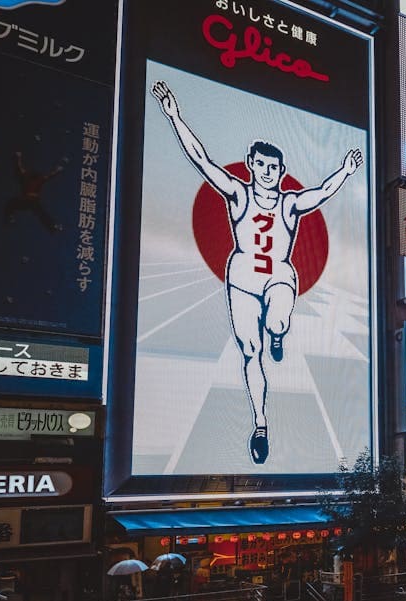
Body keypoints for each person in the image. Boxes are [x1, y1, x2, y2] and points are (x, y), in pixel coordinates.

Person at [151, 80, 363, 464]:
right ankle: (260, 423)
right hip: (243, 278)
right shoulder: (238, 193)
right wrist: (175, 116)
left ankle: (278, 331)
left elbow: (322, 192)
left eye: (274, 167)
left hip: (279, 274)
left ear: (282, 170)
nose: (268, 171)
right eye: (261, 165)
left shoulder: (290, 202)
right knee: (250, 351)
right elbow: (202, 161)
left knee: (278, 321)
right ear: (252, 165)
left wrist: (346, 171)